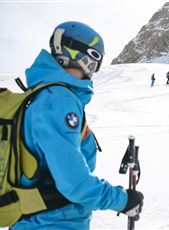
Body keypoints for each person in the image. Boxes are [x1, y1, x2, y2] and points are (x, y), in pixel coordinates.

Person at [11, 21, 143, 229]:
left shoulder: (46, 97)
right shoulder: (58, 100)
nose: (92, 73)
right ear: (73, 54)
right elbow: (75, 184)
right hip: (52, 223)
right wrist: (123, 200)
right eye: (92, 62)